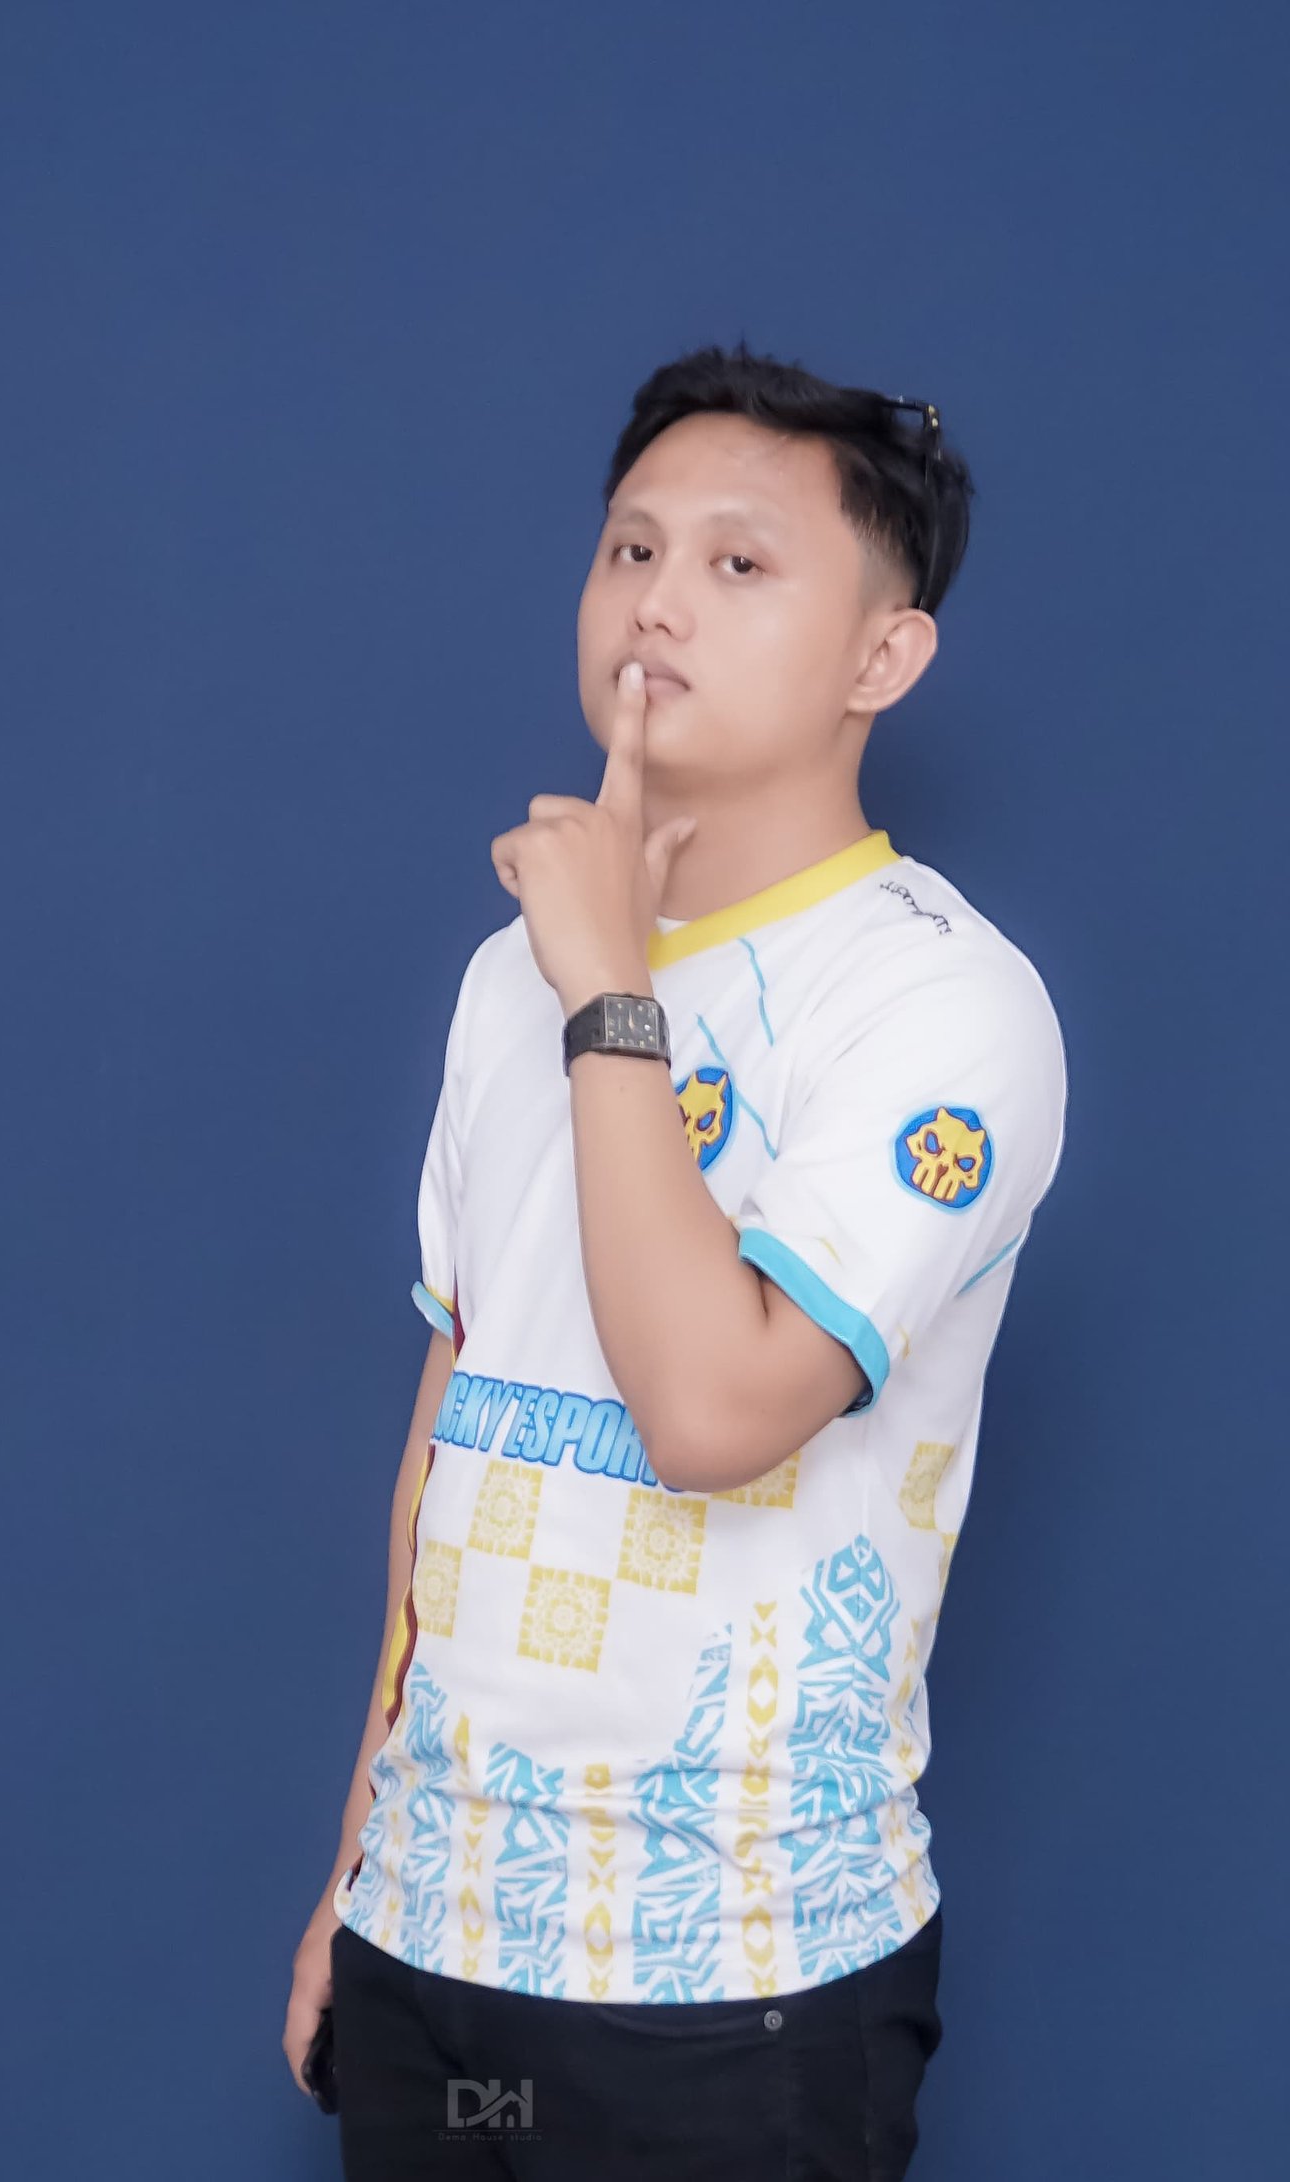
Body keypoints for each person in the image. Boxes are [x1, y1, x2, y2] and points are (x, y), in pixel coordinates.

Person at [283, 341, 1069, 2179]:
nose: (657, 601)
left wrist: (611, 987)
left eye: (738, 562)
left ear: (884, 657)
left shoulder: (943, 998)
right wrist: (359, 1864)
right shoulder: (510, 977)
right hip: (432, 1947)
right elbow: (453, 1432)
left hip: (731, 1994)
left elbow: (714, 1410)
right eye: (631, 549)